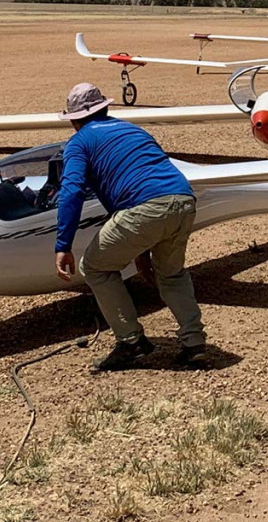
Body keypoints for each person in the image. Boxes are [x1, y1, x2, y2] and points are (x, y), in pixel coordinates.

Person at [51, 82, 205, 371]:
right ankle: (194, 343)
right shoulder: (133, 130)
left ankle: (131, 342)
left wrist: (63, 245)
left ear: (73, 119)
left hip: (146, 208)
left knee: (95, 267)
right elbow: (139, 181)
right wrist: (141, 252)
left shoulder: (79, 143)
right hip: (184, 201)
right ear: (106, 109)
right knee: (171, 275)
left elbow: (71, 191)